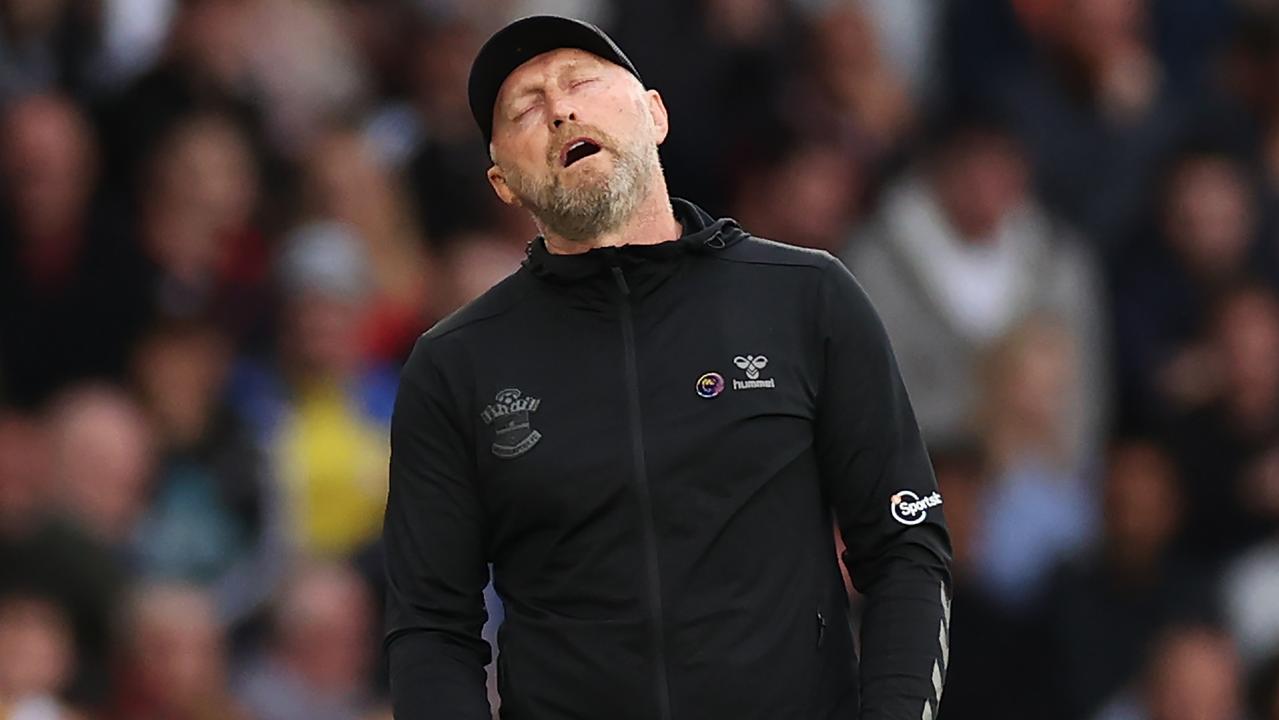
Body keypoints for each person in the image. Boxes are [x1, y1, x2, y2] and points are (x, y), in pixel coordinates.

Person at [382, 15, 952, 720]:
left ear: (654, 114)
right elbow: (430, 629)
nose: (559, 109)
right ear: (503, 180)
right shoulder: (454, 366)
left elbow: (903, 549)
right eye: (523, 108)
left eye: (580, 82)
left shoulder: (806, 298)